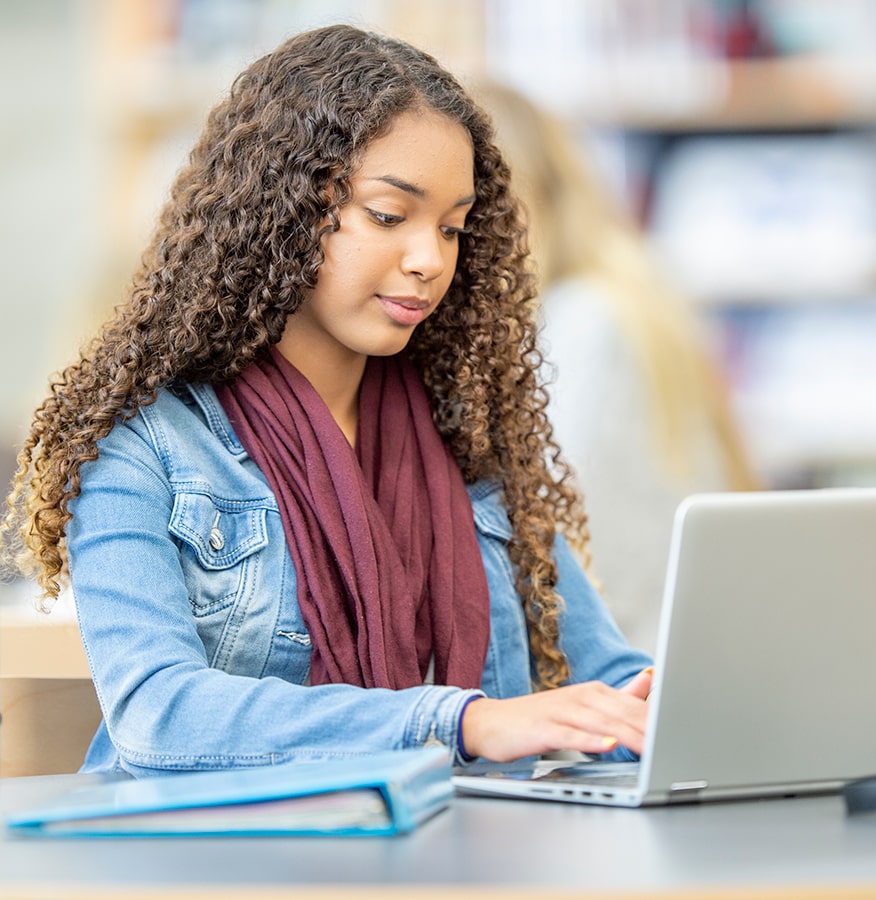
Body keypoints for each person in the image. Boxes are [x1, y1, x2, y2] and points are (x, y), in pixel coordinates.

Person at [0, 24, 652, 778]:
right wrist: (458, 722)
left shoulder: (467, 441)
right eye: (389, 215)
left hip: (461, 841)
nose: (429, 259)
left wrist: (669, 707)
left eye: (452, 228)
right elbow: (160, 715)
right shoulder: (145, 444)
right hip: (226, 849)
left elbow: (608, 683)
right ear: (281, 209)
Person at [475, 82, 760, 654]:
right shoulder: (635, 300)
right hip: (680, 650)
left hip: (620, 669)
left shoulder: (582, 324)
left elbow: (545, 538)